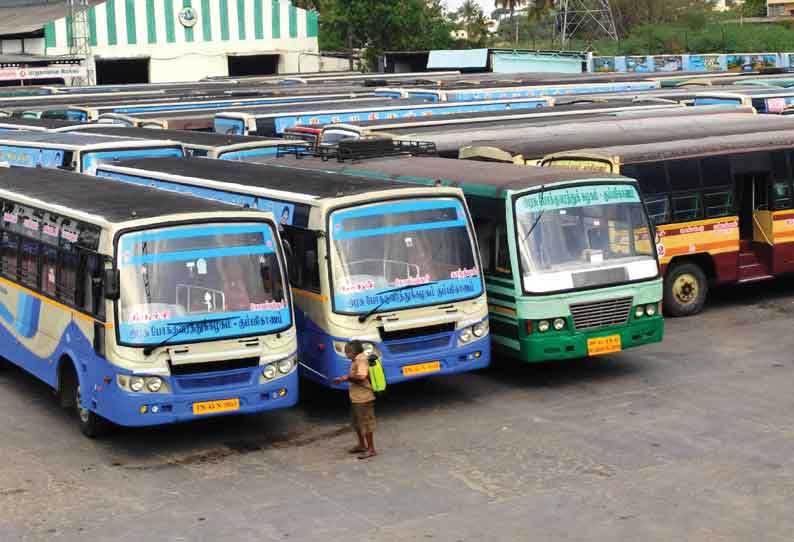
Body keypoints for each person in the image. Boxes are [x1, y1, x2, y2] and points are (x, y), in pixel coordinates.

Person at [333, 340, 377, 460]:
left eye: (347, 352)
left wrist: (346, 377)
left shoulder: (361, 360)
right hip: (356, 397)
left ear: (353, 352)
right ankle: (362, 445)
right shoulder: (356, 360)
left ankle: (371, 449)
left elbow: (362, 376)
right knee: (357, 423)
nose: (346, 355)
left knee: (366, 424)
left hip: (364, 397)